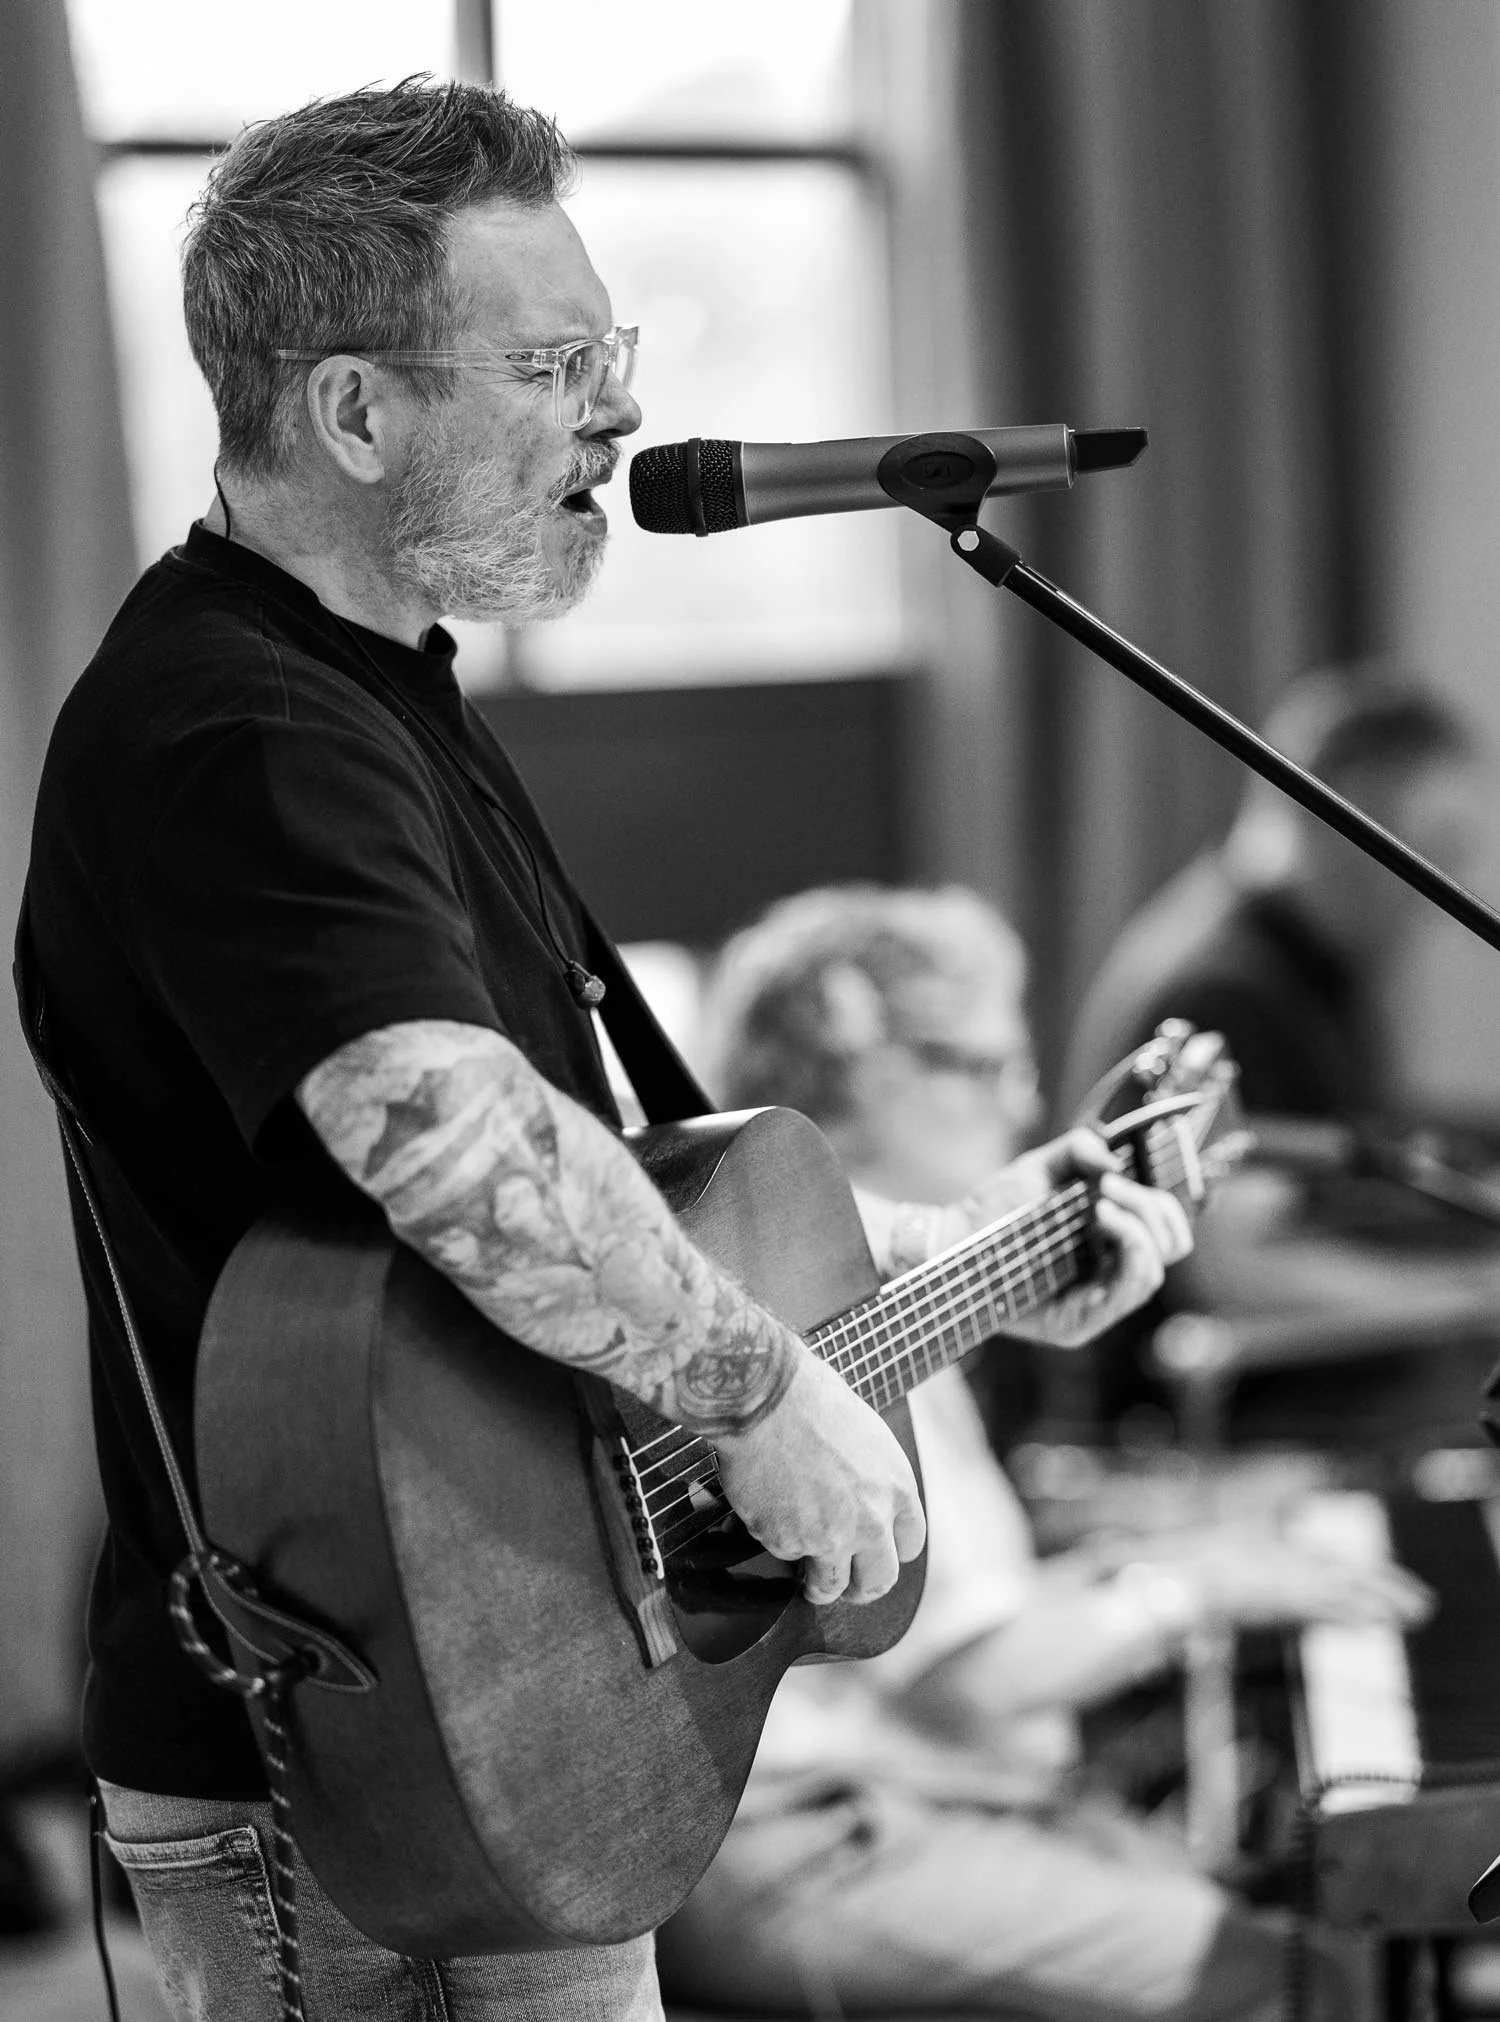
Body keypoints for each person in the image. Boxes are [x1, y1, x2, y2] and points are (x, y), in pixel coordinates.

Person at [13, 83, 1190, 2022]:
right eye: (553, 364)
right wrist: (758, 1400)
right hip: (354, 1774)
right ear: (354, 411)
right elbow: (444, 1136)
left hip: (515, 1709)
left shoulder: (375, 685)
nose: (620, 416)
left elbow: (616, 1192)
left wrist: (972, 1251)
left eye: (611, 355)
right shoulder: (241, 731)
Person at [655, 884, 1431, 2022]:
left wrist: (1184, 1556)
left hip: (901, 1803)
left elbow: (967, 1623)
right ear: (860, 1068)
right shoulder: (796, 1313)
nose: (1024, 1104)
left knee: (1291, 1896)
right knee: (1295, 1974)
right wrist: (1196, 1588)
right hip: (797, 1836)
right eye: (985, 1067)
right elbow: (971, 1689)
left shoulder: (899, 1297)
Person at [1060, 664, 1500, 1439]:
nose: (1442, 891)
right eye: (1431, 850)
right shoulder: (1221, 991)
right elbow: (1237, 1271)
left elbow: (1330, 1179)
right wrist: (1474, 1290)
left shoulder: (1306, 965)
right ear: (1349, 818)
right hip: (1208, 1439)